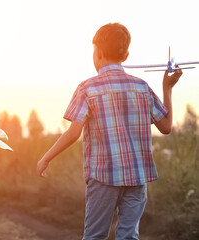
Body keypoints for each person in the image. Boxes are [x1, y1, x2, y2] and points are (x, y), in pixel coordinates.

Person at [36, 23, 183, 239]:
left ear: (98, 52)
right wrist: (167, 89)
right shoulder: (141, 87)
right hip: (137, 178)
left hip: (104, 177)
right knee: (128, 235)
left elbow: (73, 132)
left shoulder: (88, 88)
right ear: (126, 55)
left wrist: (46, 157)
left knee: (95, 235)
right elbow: (167, 127)